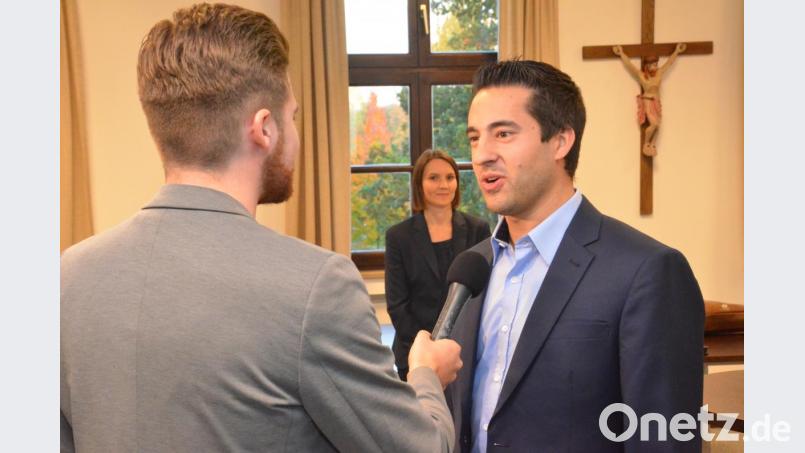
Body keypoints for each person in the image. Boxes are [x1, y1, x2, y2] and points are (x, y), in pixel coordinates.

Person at [60, 4, 462, 452]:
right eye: (292, 117)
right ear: (264, 128)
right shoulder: (316, 287)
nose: (294, 132)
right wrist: (426, 374)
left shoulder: (66, 277)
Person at [446, 60, 704, 452]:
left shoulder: (646, 271)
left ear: (561, 141)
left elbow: (662, 440)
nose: (482, 155)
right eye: (475, 138)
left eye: (503, 133)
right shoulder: (472, 269)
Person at [385, 149, 491, 381]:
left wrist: (455, 343)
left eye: (450, 177)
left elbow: (485, 294)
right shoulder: (398, 236)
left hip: (465, 351)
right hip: (415, 353)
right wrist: (427, 349)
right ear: (419, 184)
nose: (443, 184)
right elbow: (397, 305)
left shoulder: (478, 229)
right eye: (433, 178)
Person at [613, 43, 687, 156]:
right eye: (652, 65)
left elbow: (669, 63)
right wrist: (621, 53)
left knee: (658, 126)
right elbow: (630, 65)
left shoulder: (659, 74)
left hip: (656, 102)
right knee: (654, 124)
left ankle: (652, 145)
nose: (655, 67)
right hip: (647, 101)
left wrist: (677, 51)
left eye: (656, 64)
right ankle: (646, 144)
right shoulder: (642, 76)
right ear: (647, 66)